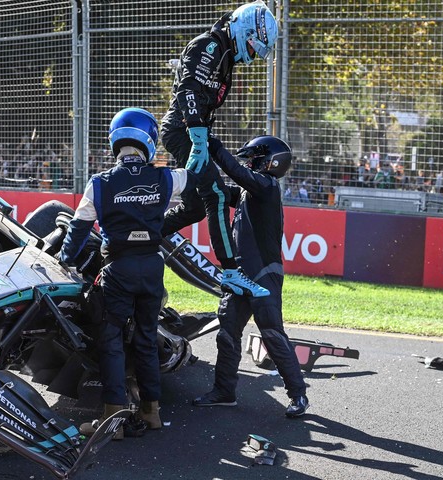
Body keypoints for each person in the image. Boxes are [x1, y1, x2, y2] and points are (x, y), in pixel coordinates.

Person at [60, 107, 194, 439]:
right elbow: (197, 180)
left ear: (115, 140)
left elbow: (77, 232)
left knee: (112, 342)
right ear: (149, 140)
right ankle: (151, 413)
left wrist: (66, 262)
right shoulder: (166, 177)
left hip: (116, 270)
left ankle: (112, 420)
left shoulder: (99, 183)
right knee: (147, 339)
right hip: (152, 268)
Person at [160, 1, 278, 298]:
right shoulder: (209, 46)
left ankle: (141, 237)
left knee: (196, 207)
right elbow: (188, 90)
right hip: (182, 131)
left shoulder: (225, 57)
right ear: (244, 30)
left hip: (194, 133)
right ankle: (230, 273)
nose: (251, 58)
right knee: (217, 195)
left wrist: (206, 140)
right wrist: (199, 141)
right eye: (252, 48)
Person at [192, 134, 309, 418]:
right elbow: (220, 189)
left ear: (271, 162)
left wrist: (215, 146)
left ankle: (299, 395)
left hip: (263, 275)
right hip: (240, 275)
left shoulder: (267, 186)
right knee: (227, 332)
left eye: (255, 158)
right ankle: (224, 392)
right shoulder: (251, 191)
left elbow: (236, 172)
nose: (251, 162)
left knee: (271, 333)